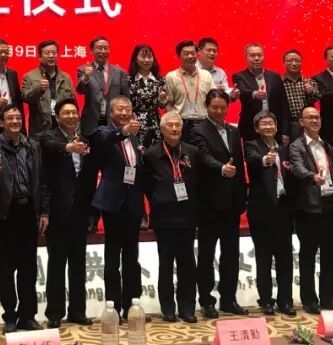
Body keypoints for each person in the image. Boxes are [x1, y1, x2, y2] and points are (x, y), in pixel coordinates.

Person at [0, 105, 48, 333]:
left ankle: (28, 315)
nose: (15, 121)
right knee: (8, 267)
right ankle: (10, 316)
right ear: (1, 122)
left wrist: (44, 212)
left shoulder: (32, 146)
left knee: (29, 267)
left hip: (29, 211)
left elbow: (42, 180)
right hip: (6, 213)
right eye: (10, 118)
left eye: (18, 118)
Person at [191, 89, 247, 318]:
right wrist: (221, 169)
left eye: (223, 107)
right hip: (209, 203)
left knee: (231, 254)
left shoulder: (233, 131)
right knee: (206, 254)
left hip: (232, 202)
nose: (219, 111)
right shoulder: (198, 131)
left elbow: (239, 165)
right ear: (207, 107)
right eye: (214, 107)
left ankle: (228, 298)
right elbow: (204, 157)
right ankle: (206, 300)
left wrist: (242, 196)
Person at [39, 98, 92, 327]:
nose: (71, 116)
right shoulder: (49, 137)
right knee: (57, 264)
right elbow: (50, 147)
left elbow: (88, 177)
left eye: (73, 112)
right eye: (66, 113)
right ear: (57, 116)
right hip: (58, 212)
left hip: (80, 212)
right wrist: (68, 148)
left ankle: (78, 311)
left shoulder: (84, 140)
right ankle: (55, 313)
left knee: (79, 264)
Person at [90, 96, 143, 318]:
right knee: (112, 258)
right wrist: (123, 131)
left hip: (133, 202)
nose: (124, 113)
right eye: (120, 109)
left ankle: (133, 304)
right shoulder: (103, 132)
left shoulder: (134, 136)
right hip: (113, 203)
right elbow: (105, 141)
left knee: (132, 256)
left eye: (128, 109)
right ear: (111, 112)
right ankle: (113, 307)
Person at [143, 111, 199, 323]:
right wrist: (160, 198)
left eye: (178, 125)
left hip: (187, 216)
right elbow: (147, 184)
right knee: (165, 264)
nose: (174, 129)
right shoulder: (152, 154)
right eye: (170, 125)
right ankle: (168, 308)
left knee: (187, 264)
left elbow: (198, 181)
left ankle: (187, 308)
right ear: (162, 129)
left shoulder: (192, 152)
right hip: (164, 217)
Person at [289, 106, 333, 314]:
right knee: (308, 256)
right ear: (301, 122)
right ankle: (310, 300)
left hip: (330, 205)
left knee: (331, 255)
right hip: (309, 208)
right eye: (309, 118)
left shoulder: (326, 145)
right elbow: (297, 167)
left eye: (317, 117)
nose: (314, 121)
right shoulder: (296, 146)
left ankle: (328, 298)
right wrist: (312, 177)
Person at [244, 110, 295, 317]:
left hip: (283, 208)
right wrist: (266, 159)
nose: (268, 126)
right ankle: (265, 300)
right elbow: (253, 160)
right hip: (262, 210)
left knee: (285, 258)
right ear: (257, 128)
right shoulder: (251, 145)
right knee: (264, 258)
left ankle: (285, 300)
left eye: (271, 123)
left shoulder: (284, 148)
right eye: (263, 124)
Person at [75, 36, 130, 137]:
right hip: (91, 122)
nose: (103, 51)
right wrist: (86, 77)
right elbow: (80, 90)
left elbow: (126, 98)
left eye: (106, 48)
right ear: (91, 50)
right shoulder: (83, 70)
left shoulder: (120, 72)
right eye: (99, 48)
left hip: (114, 121)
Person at [233, 43, 287, 141]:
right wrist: (254, 94)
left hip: (274, 127)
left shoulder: (274, 76)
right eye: (252, 55)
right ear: (246, 57)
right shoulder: (239, 76)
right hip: (251, 127)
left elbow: (283, 104)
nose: (256, 58)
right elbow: (242, 90)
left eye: (259, 55)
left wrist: (284, 131)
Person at [22, 39, 74, 140]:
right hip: (40, 130)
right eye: (47, 53)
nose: (51, 56)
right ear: (40, 56)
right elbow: (25, 97)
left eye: (54, 53)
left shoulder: (66, 77)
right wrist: (39, 89)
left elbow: (73, 103)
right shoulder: (30, 76)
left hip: (63, 128)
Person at [163, 39, 211, 141]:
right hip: (181, 124)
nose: (190, 56)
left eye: (193, 53)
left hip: (203, 123)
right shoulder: (171, 77)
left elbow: (212, 100)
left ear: (197, 54)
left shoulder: (206, 75)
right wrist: (173, 122)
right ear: (179, 56)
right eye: (186, 53)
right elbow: (168, 103)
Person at [127, 43, 165, 151]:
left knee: (155, 152)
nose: (147, 60)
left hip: (154, 122)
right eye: (143, 57)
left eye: (150, 57)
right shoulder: (129, 80)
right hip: (135, 122)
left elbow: (162, 105)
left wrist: (162, 100)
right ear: (136, 59)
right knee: (137, 152)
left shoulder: (160, 79)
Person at [280, 50, 319, 141]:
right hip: (287, 124)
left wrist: (310, 92)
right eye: (290, 60)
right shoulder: (279, 82)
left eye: (297, 61)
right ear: (284, 64)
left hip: (308, 123)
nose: (294, 63)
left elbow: (317, 98)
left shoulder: (309, 81)